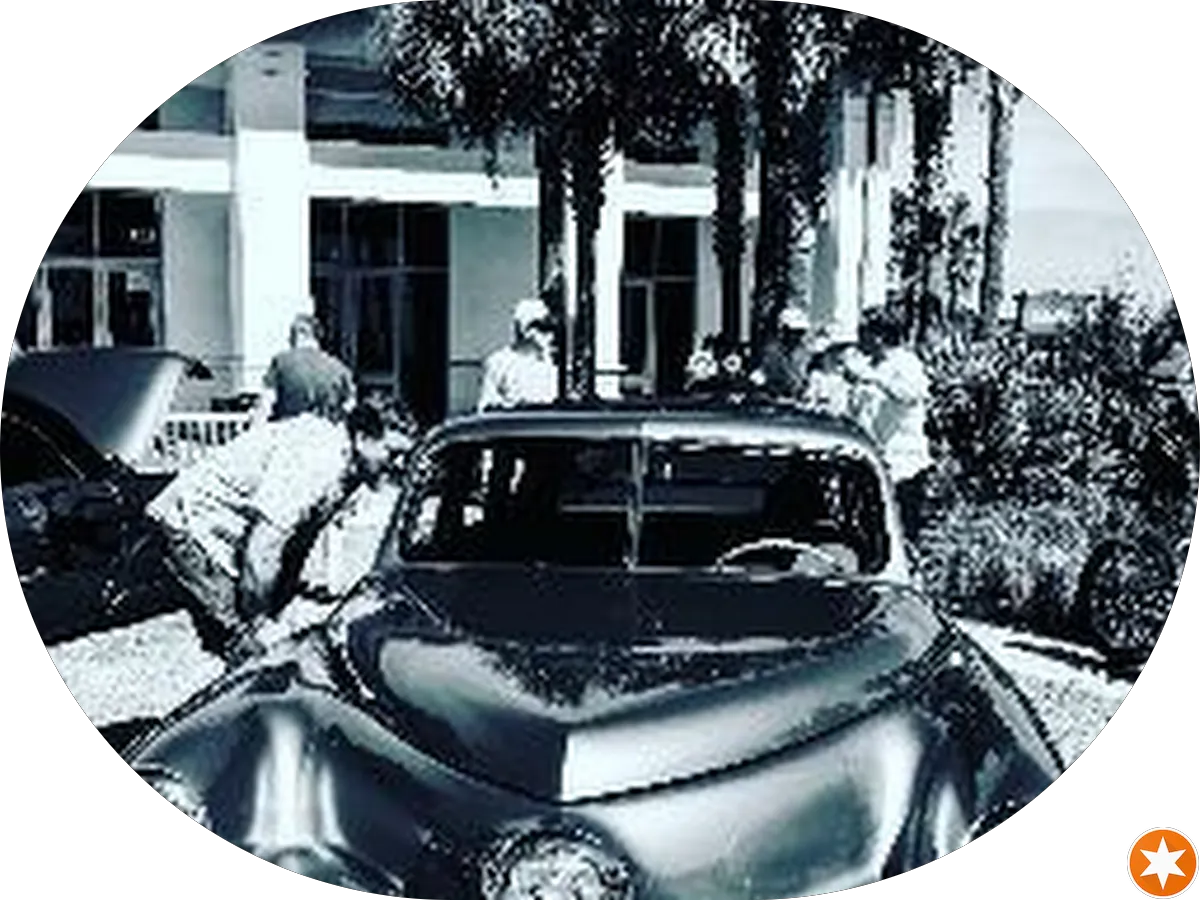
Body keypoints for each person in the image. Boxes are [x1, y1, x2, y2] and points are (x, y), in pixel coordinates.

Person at [144, 403, 396, 666]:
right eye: (392, 451)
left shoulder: (350, 466)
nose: (397, 463)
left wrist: (280, 608)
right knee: (250, 647)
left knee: (267, 638)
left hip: (232, 534)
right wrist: (259, 622)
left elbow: (298, 541)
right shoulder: (318, 461)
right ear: (362, 439)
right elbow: (261, 550)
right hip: (193, 526)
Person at [847, 310, 934, 542]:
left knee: (903, 534)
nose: (858, 339)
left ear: (879, 336)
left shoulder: (906, 363)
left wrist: (874, 379)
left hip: (903, 464)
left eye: (863, 333)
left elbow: (910, 395)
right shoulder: (868, 365)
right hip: (872, 461)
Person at [257, 313, 356, 425]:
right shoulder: (339, 368)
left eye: (291, 334)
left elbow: (267, 401)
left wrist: (255, 426)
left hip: (289, 430)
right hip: (326, 431)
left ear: (301, 333)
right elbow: (350, 405)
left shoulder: (281, 361)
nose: (289, 339)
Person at [477, 298, 559, 412]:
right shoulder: (498, 362)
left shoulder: (555, 363)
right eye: (541, 328)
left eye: (549, 328)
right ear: (525, 330)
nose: (549, 335)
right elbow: (487, 406)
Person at [752, 307, 814, 400]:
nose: (796, 336)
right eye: (793, 332)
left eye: (800, 332)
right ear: (784, 331)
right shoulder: (771, 352)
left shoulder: (804, 352)